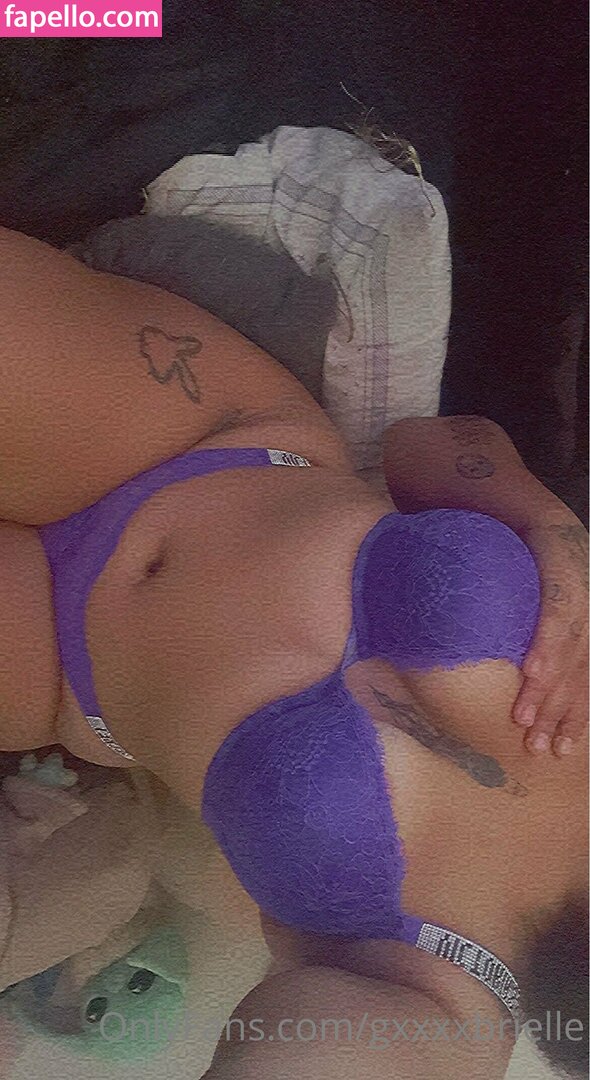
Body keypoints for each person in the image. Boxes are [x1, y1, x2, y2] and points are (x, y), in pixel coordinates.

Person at [0, 225, 587, 1078]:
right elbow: (428, 443)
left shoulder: (444, 1002)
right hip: (195, 439)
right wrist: (555, 530)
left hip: (55, 671)